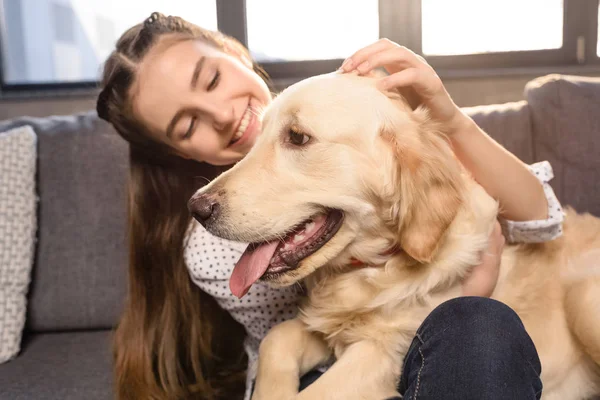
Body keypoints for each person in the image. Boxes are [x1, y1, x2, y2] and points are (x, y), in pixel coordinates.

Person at [96, 12, 563, 400]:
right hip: (333, 370)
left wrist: (445, 116)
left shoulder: (341, 110)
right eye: (186, 125)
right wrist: (468, 288)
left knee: (478, 325)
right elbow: (325, 333)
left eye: (212, 79)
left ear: (236, 54)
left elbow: (542, 222)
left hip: (444, 344)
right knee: (475, 322)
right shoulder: (215, 242)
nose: (221, 115)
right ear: (181, 154)